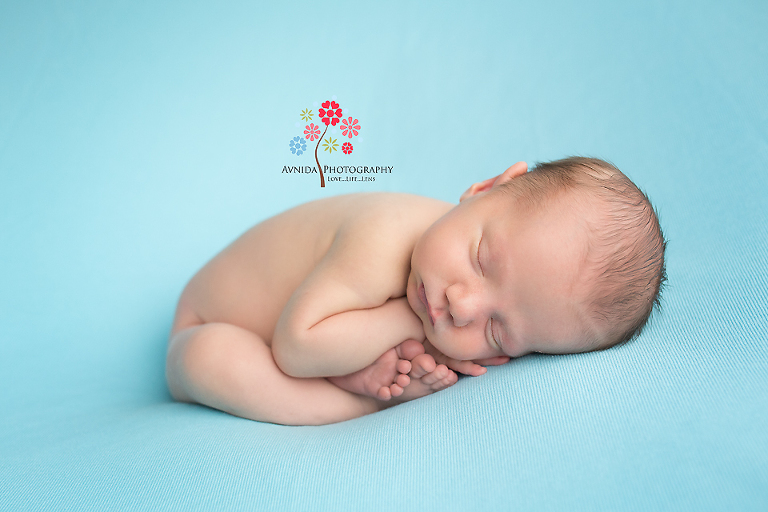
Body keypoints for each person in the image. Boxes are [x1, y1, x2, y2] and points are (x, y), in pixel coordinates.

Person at [165, 157, 667, 425]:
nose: (462, 305)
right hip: (212, 322)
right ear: (486, 188)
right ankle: (359, 406)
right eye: (481, 260)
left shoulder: (437, 283)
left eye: (498, 331)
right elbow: (296, 347)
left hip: (309, 337)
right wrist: (410, 334)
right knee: (206, 357)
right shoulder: (385, 236)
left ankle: (354, 379)